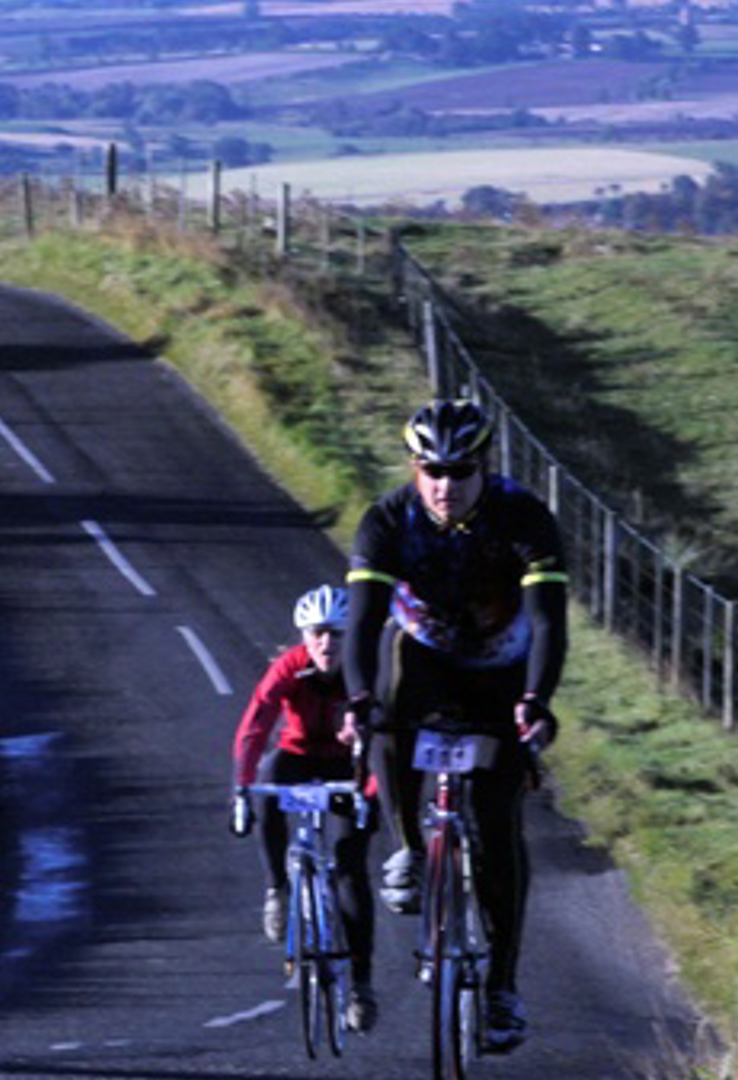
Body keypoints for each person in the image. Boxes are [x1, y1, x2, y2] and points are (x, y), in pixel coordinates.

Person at [340, 398, 567, 1053]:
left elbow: (550, 621)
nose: (445, 485)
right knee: (385, 723)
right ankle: (410, 848)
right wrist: (356, 697)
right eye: (431, 470)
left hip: (504, 668)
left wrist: (538, 700)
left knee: (499, 830)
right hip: (426, 660)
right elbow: (361, 621)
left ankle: (502, 987)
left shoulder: (523, 516)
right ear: (415, 467)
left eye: (460, 470)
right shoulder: (388, 519)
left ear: (482, 467)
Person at [230, 584, 379, 1033]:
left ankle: (361, 986)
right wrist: (241, 789)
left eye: (337, 634)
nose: (327, 644)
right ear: (304, 636)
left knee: (352, 871)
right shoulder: (289, 667)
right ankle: (278, 889)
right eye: (318, 633)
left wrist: (370, 796)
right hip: (298, 758)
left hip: (350, 767)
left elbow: (383, 743)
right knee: (271, 777)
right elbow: (256, 725)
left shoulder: (364, 673)